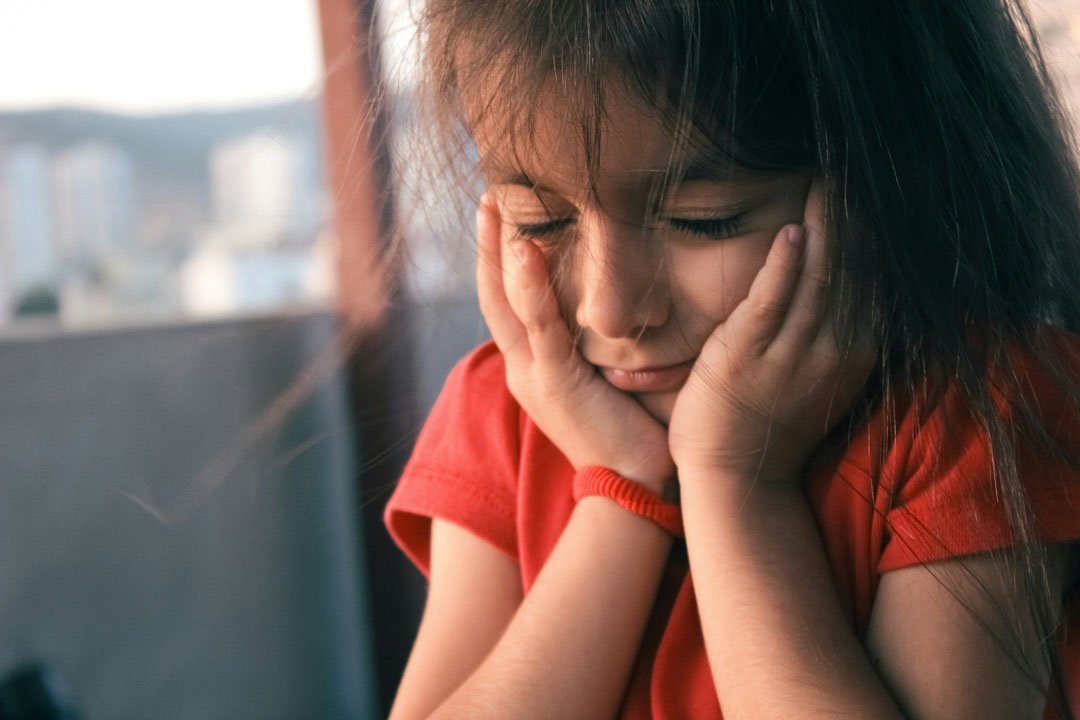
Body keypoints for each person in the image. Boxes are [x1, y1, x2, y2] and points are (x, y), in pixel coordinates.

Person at [383, 0, 1080, 717]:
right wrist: (618, 494)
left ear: (887, 179)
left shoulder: (978, 417)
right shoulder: (502, 414)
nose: (610, 310)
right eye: (542, 221)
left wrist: (736, 488)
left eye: (703, 220)